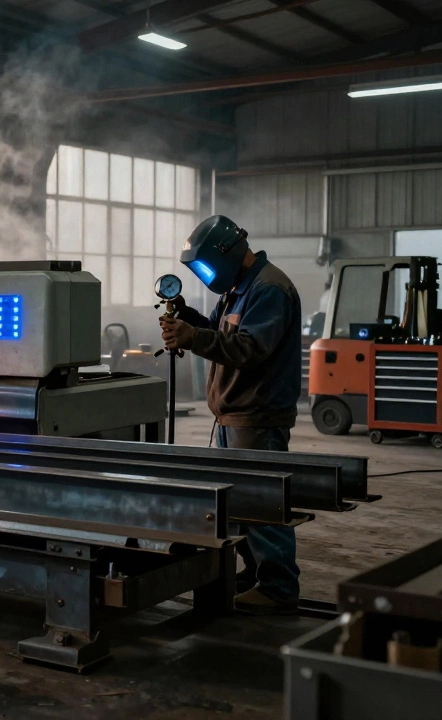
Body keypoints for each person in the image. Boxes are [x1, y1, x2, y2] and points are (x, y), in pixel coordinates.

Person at [159, 215, 303, 615]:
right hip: (233, 417)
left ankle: (278, 587)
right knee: (240, 505)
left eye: (206, 267)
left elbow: (250, 348)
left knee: (264, 502)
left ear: (227, 252)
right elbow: (224, 336)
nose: (206, 277)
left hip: (258, 416)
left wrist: (194, 339)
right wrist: (192, 321)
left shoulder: (269, 288)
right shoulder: (240, 288)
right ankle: (256, 572)